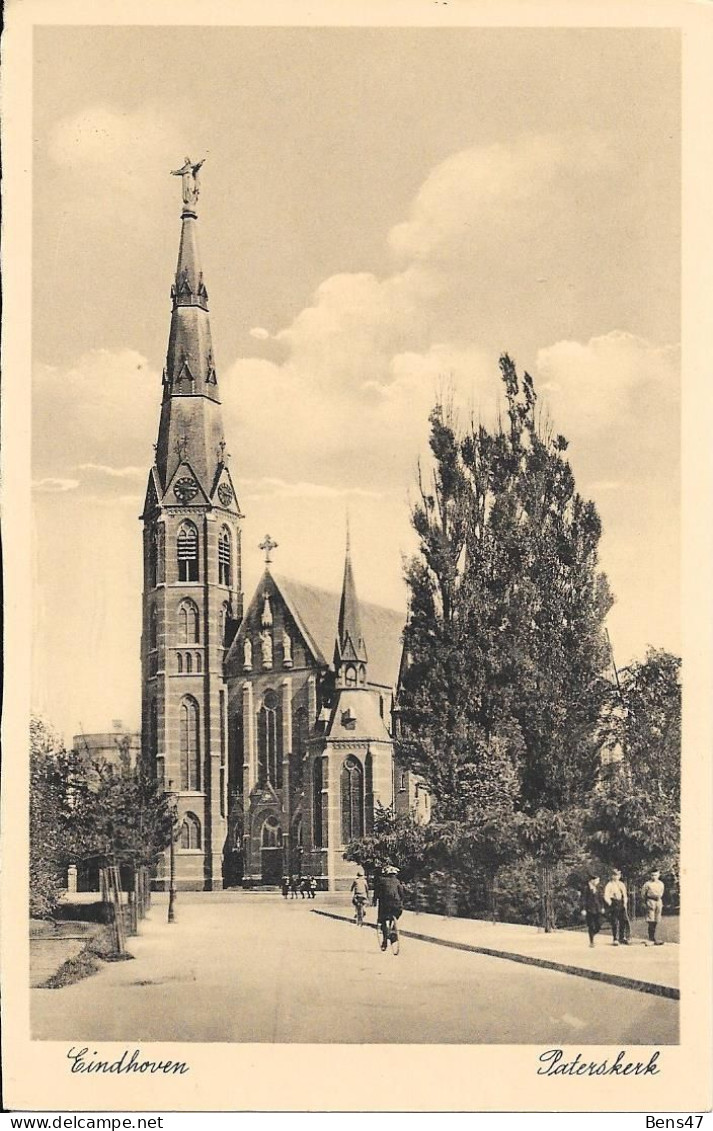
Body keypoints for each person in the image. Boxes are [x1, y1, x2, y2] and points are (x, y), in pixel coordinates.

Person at [374, 864, 404, 950]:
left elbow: (377, 893)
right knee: (397, 914)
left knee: (382, 920)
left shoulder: (381, 881)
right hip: (397, 906)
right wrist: (401, 901)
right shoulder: (397, 881)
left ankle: (384, 941)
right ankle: (394, 929)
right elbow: (402, 894)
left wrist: (375, 901)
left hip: (385, 905)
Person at [603, 867, 630, 945]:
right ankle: (615, 938)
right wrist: (610, 903)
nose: (616, 877)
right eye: (614, 875)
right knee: (614, 921)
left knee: (623, 920)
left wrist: (625, 903)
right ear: (612, 876)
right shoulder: (609, 884)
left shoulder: (621, 884)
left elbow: (624, 895)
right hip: (613, 903)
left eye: (618, 875)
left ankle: (622, 937)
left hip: (621, 903)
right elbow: (606, 895)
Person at [641, 868, 665, 945]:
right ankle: (651, 938)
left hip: (658, 901)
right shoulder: (647, 884)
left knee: (657, 919)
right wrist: (644, 902)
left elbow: (661, 893)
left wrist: (658, 898)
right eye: (652, 875)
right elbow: (643, 894)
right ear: (650, 876)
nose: (654, 876)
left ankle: (654, 938)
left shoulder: (661, 884)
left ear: (659, 875)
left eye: (655, 875)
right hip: (650, 901)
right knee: (651, 919)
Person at [581, 874, 603, 947]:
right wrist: (583, 909)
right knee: (591, 925)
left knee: (599, 925)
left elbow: (601, 898)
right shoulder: (586, 888)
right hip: (589, 909)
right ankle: (591, 941)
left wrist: (602, 907)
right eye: (597, 880)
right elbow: (583, 899)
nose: (598, 882)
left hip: (598, 909)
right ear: (592, 880)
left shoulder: (598, 888)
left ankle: (593, 933)